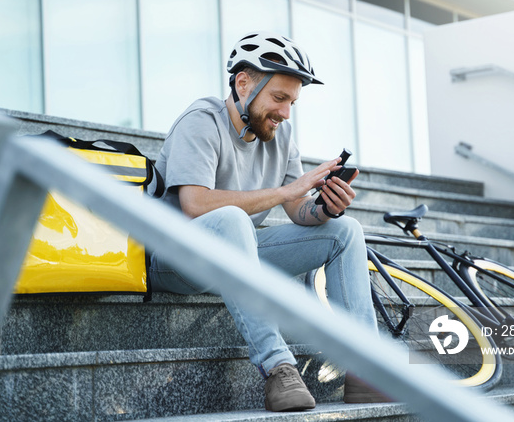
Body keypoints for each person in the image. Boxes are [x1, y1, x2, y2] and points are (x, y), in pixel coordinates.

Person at [149, 31, 388, 411]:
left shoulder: (280, 133)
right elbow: (194, 204)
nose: (286, 112)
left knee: (345, 230)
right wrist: (286, 192)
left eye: (293, 101)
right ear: (243, 83)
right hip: (176, 258)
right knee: (231, 219)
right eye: (279, 98)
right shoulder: (200, 121)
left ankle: (367, 370)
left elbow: (299, 211)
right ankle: (278, 367)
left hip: (236, 253)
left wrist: (326, 207)